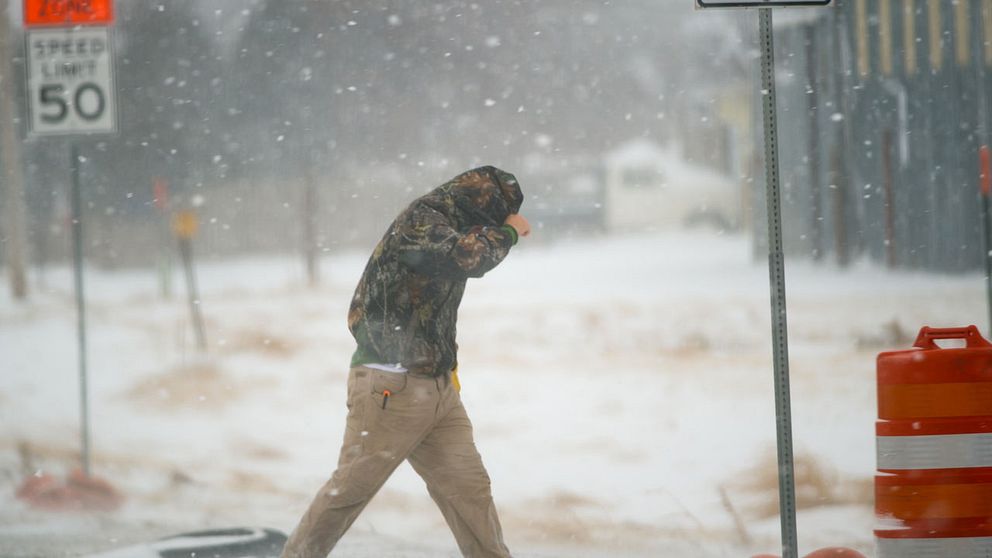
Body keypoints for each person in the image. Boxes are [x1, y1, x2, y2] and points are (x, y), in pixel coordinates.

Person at [280, 166, 530, 558]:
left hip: (439, 389)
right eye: (493, 218)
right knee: (350, 491)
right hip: (390, 386)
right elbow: (467, 258)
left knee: (469, 491)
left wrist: (447, 372)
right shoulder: (422, 221)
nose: (492, 227)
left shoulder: (452, 225)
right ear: (480, 205)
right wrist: (510, 232)